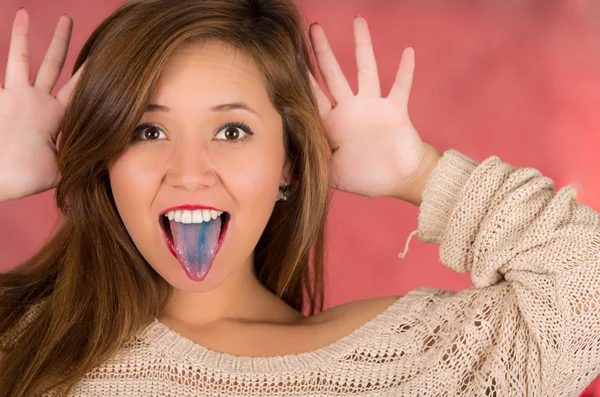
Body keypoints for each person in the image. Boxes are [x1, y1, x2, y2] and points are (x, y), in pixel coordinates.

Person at [0, 0, 598, 396]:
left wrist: (417, 171)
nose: (188, 173)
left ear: (288, 162)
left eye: (231, 131)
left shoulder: (419, 363)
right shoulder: (26, 345)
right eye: (147, 130)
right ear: (104, 157)